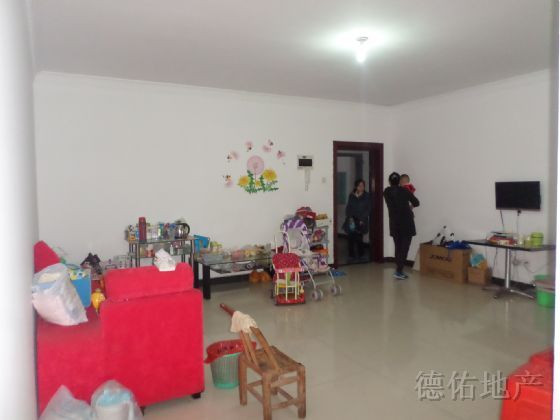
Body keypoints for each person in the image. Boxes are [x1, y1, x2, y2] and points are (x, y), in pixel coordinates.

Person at [384, 172, 420, 279]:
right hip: (406, 223)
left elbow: (395, 194)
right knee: (404, 248)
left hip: (394, 224)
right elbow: (416, 203)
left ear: (389, 181)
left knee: (398, 247)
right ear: (399, 181)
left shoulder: (386, 192)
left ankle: (398, 269)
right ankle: (399, 271)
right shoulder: (405, 191)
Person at [344, 179, 370, 262]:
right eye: (359, 186)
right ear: (356, 186)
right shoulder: (352, 195)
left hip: (361, 219)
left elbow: (368, 209)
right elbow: (348, 207)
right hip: (352, 219)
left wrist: (362, 219)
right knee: (351, 237)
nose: (361, 187)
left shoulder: (367, 196)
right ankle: (351, 255)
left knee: (359, 237)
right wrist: (349, 217)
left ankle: (361, 255)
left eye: (363, 186)